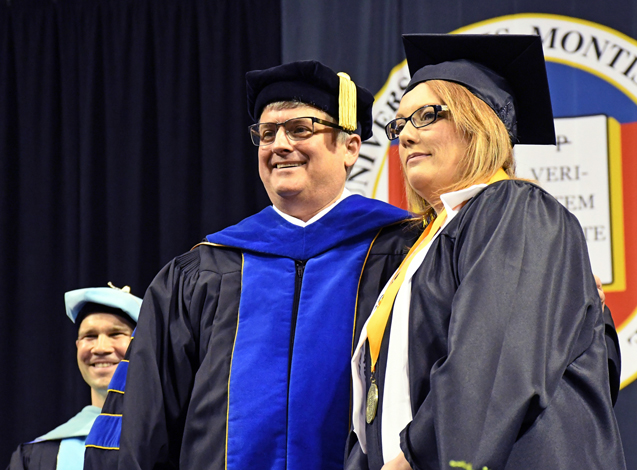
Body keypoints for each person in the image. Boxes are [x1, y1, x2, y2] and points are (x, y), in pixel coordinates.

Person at [83, 61, 414, 470]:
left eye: (300, 128)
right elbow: (140, 421)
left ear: (349, 147)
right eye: (267, 133)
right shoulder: (202, 270)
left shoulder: (403, 255)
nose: (279, 144)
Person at [349, 34, 626, 469]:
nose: (405, 136)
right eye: (398, 124)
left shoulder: (518, 212)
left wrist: (410, 460)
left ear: (478, 121)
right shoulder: (424, 246)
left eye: (426, 116)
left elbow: (490, 365)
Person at [7, 284, 141, 470]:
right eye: (90, 336)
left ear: (141, 346)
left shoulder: (169, 441)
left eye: (116, 333)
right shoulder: (39, 456)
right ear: (77, 346)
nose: (100, 348)